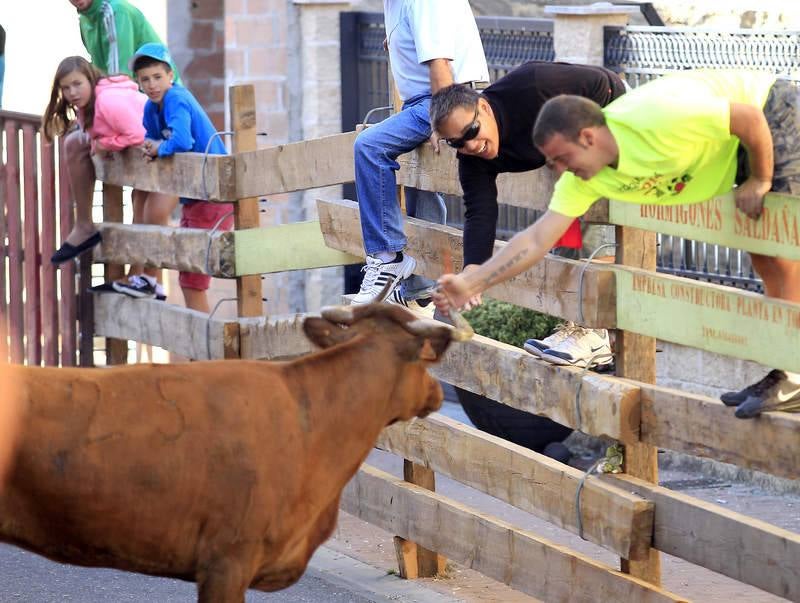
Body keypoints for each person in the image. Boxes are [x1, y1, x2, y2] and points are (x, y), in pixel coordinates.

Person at [434, 69, 800, 418]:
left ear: (588, 138)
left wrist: (761, 178)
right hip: (727, 146)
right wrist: (473, 281)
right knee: (766, 258)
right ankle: (788, 370)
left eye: (562, 159)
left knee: (782, 252)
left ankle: (794, 374)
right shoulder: (584, 177)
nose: (560, 171)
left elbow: (748, 117)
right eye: (552, 162)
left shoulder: (656, 118)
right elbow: (536, 239)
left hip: (772, 111)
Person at [430, 61, 627, 369]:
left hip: (614, 118)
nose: (470, 145)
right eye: (457, 142)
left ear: (483, 106)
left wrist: (594, 145)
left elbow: (604, 84)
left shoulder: (535, 86)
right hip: (570, 154)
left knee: (590, 203)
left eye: (471, 131)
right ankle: (580, 325)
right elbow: (480, 213)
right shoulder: (472, 160)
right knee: (563, 227)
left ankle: (594, 329)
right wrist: (471, 273)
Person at [351, 0, 488, 311]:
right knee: (417, 168)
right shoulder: (395, 4)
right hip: (427, 100)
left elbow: (441, 64)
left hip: (449, 95)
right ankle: (423, 284)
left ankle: (387, 257)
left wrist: (444, 119)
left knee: (369, 146)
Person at [44, 56, 176, 299]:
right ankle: (142, 280)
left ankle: (145, 281)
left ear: (90, 80)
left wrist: (105, 143)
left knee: (147, 213)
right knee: (140, 207)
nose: (72, 92)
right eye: (66, 87)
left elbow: (138, 134)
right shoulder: (87, 107)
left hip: (164, 151)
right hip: (148, 156)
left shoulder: (107, 101)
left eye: (77, 84)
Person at [131, 43, 234, 313]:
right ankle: (199, 348)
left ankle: (204, 349)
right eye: (145, 79)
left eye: (157, 77)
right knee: (188, 276)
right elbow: (152, 137)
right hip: (194, 198)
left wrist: (158, 148)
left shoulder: (176, 98)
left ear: (170, 76)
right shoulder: (151, 108)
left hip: (213, 195)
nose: (152, 84)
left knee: (193, 279)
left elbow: (181, 139)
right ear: (138, 83)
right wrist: (150, 146)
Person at [69, 0, 178, 81]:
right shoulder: (84, 20)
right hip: (133, 97)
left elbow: (120, 77)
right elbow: (98, 68)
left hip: (163, 98)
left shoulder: (116, 11)